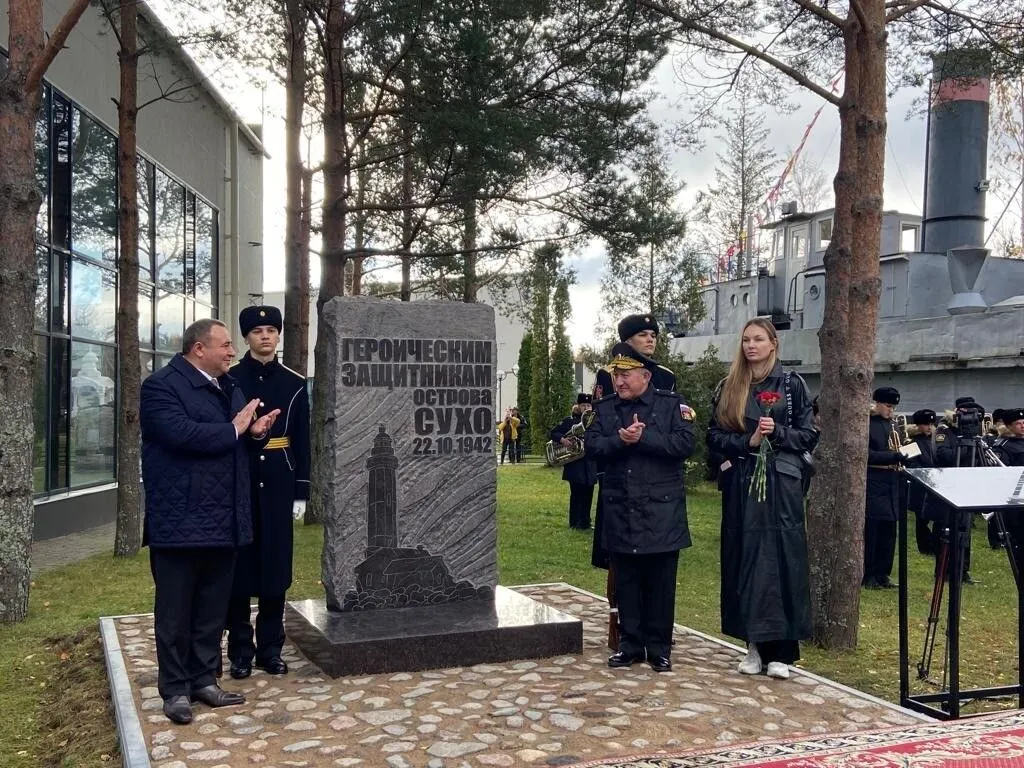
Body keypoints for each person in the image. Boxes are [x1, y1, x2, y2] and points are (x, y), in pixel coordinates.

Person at [141, 318, 280, 725]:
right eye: (224, 346)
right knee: (175, 611)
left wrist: (253, 432)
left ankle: (204, 679)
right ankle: (175, 690)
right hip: (180, 521)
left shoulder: (226, 386)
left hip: (224, 520)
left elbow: (232, 440)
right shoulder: (161, 387)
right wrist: (234, 429)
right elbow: (179, 434)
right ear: (199, 349)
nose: (232, 352)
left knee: (211, 609)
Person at [707, 317, 817, 680]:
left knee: (783, 558)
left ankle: (781, 652)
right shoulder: (730, 386)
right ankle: (752, 645)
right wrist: (747, 442)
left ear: (773, 344)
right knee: (746, 557)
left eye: (758, 339)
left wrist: (778, 432)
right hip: (742, 481)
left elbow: (808, 436)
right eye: (745, 340)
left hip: (782, 484)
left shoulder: (792, 385)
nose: (750, 346)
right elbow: (713, 437)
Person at [584, 343, 694, 672]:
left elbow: (685, 444)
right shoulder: (604, 409)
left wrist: (643, 439)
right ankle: (630, 645)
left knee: (660, 583)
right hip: (621, 507)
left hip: (662, 510)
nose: (619, 381)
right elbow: (591, 446)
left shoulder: (670, 405)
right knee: (627, 581)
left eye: (626, 375)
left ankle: (659, 648)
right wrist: (620, 440)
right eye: (616, 375)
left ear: (646, 376)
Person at [226, 306, 310, 680]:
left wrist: (301, 491)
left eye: (271, 330)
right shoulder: (230, 378)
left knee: (276, 569)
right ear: (246, 337)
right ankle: (241, 652)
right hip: (240, 479)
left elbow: (303, 441)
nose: (265, 336)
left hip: (278, 480)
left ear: (278, 336)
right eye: (257, 330)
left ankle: (271, 649)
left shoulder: (294, 382)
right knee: (240, 568)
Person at [591, 313, 676, 571]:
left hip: (654, 467)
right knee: (617, 554)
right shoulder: (608, 374)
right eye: (643, 335)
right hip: (619, 466)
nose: (650, 340)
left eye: (653, 336)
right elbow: (604, 416)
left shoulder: (664, 375)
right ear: (627, 342)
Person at [933, 396, 984, 584]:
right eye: (965, 412)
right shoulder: (945, 430)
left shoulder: (974, 434)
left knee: (966, 528)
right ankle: (944, 570)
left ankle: (963, 569)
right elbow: (942, 455)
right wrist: (965, 449)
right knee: (947, 529)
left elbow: (980, 459)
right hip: (949, 485)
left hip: (967, 484)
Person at [863, 387, 906, 590]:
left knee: (889, 531)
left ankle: (883, 573)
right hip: (875, 477)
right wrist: (893, 456)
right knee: (873, 530)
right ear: (877, 403)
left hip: (892, 480)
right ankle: (869, 573)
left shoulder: (893, 425)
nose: (891, 410)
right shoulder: (868, 424)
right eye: (888, 406)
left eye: (893, 407)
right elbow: (866, 454)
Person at [549, 394, 598, 530]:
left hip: (589, 463)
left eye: (588, 406)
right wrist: (563, 440)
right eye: (584, 405)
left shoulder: (595, 422)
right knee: (577, 494)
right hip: (575, 464)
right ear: (578, 406)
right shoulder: (570, 421)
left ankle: (586, 522)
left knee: (589, 494)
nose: (586, 408)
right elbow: (554, 432)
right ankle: (574, 522)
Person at [905, 409, 939, 555]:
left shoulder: (937, 441)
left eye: (931, 424)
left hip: (937, 482)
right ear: (918, 425)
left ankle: (935, 543)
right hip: (921, 485)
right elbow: (911, 464)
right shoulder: (911, 442)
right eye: (926, 424)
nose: (929, 427)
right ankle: (925, 546)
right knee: (921, 518)